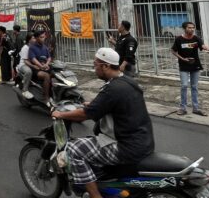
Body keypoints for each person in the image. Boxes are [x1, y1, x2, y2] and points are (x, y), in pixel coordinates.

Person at [52, 48, 154, 198]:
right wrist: (93, 104)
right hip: (143, 141)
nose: (94, 68)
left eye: (96, 64)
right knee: (89, 142)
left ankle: (95, 195)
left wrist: (60, 114)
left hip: (125, 147)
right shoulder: (128, 81)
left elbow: (84, 115)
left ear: (105, 66)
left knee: (73, 150)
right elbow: (114, 103)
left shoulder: (112, 88)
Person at [171, 21, 209, 116]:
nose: (192, 29)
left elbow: (202, 46)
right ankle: (182, 108)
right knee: (184, 85)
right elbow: (173, 51)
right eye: (189, 27)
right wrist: (183, 59)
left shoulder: (196, 38)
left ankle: (196, 108)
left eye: (193, 27)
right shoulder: (179, 39)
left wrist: (208, 48)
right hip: (184, 65)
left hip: (195, 65)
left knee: (194, 87)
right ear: (184, 28)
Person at [28, 30, 53, 105]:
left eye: (44, 36)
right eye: (41, 37)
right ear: (36, 38)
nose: (44, 38)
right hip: (36, 69)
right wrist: (41, 66)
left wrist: (47, 64)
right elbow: (33, 59)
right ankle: (46, 98)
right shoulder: (32, 48)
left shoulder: (45, 47)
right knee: (46, 76)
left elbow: (49, 57)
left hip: (45, 67)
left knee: (57, 74)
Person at [17, 33, 35, 99]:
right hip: (23, 65)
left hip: (31, 64)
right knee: (28, 72)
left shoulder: (34, 47)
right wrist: (33, 66)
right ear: (29, 40)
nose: (35, 39)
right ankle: (25, 90)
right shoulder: (25, 48)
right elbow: (25, 61)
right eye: (33, 38)